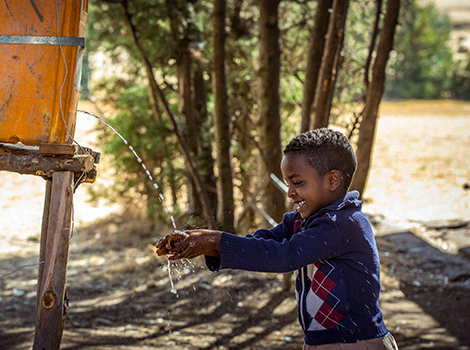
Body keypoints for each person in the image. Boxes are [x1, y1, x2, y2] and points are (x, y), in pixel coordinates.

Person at [156, 128, 398, 350]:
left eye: (298, 183)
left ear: (332, 180)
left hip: (357, 343)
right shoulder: (302, 221)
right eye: (288, 183)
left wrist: (215, 240)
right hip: (325, 343)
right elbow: (261, 243)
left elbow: (284, 256)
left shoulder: (342, 224)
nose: (291, 192)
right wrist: (203, 243)